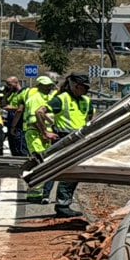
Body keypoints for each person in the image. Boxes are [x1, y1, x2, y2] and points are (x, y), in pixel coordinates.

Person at [46, 73, 92, 218]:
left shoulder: (86, 100)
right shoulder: (62, 99)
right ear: (76, 86)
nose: (86, 91)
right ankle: (62, 205)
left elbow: (90, 117)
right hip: (65, 138)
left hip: (79, 138)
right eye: (84, 87)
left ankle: (64, 203)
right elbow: (40, 112)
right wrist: (45, 132)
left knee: (75, 172)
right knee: (69, 172)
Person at [19, 74, 56, 204]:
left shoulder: (48, 97)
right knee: (39, 161)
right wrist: (44, 132)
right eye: (46, 86)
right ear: (39, 86)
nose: (48, 88)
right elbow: (34, 120)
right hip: (35, 134)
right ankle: (35, 192)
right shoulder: (34, 99)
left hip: (46, 135)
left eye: (50, 86)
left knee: (46, 162)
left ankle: (40, 192)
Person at [0, 76, 24, 156]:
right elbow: (3, 103)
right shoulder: (12, 93)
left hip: (18, 123)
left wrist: (11, 108)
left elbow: (20, 109)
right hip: (10, 121)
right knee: (12, 146)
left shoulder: (23, 93)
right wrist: (7, 92)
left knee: (19, 147)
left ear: (16, 82)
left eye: (9, 84)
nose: (8, 86)